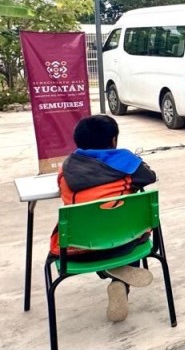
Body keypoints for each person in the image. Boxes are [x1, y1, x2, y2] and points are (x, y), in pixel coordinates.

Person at [51, 115, 157, 323]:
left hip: (76, 250)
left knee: (94, 231)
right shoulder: (126, 163)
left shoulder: (66, 169)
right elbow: (149, 176)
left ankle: (112, 272)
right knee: (129, 227)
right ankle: (121, 279)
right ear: (114, 141)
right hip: (126, 243)